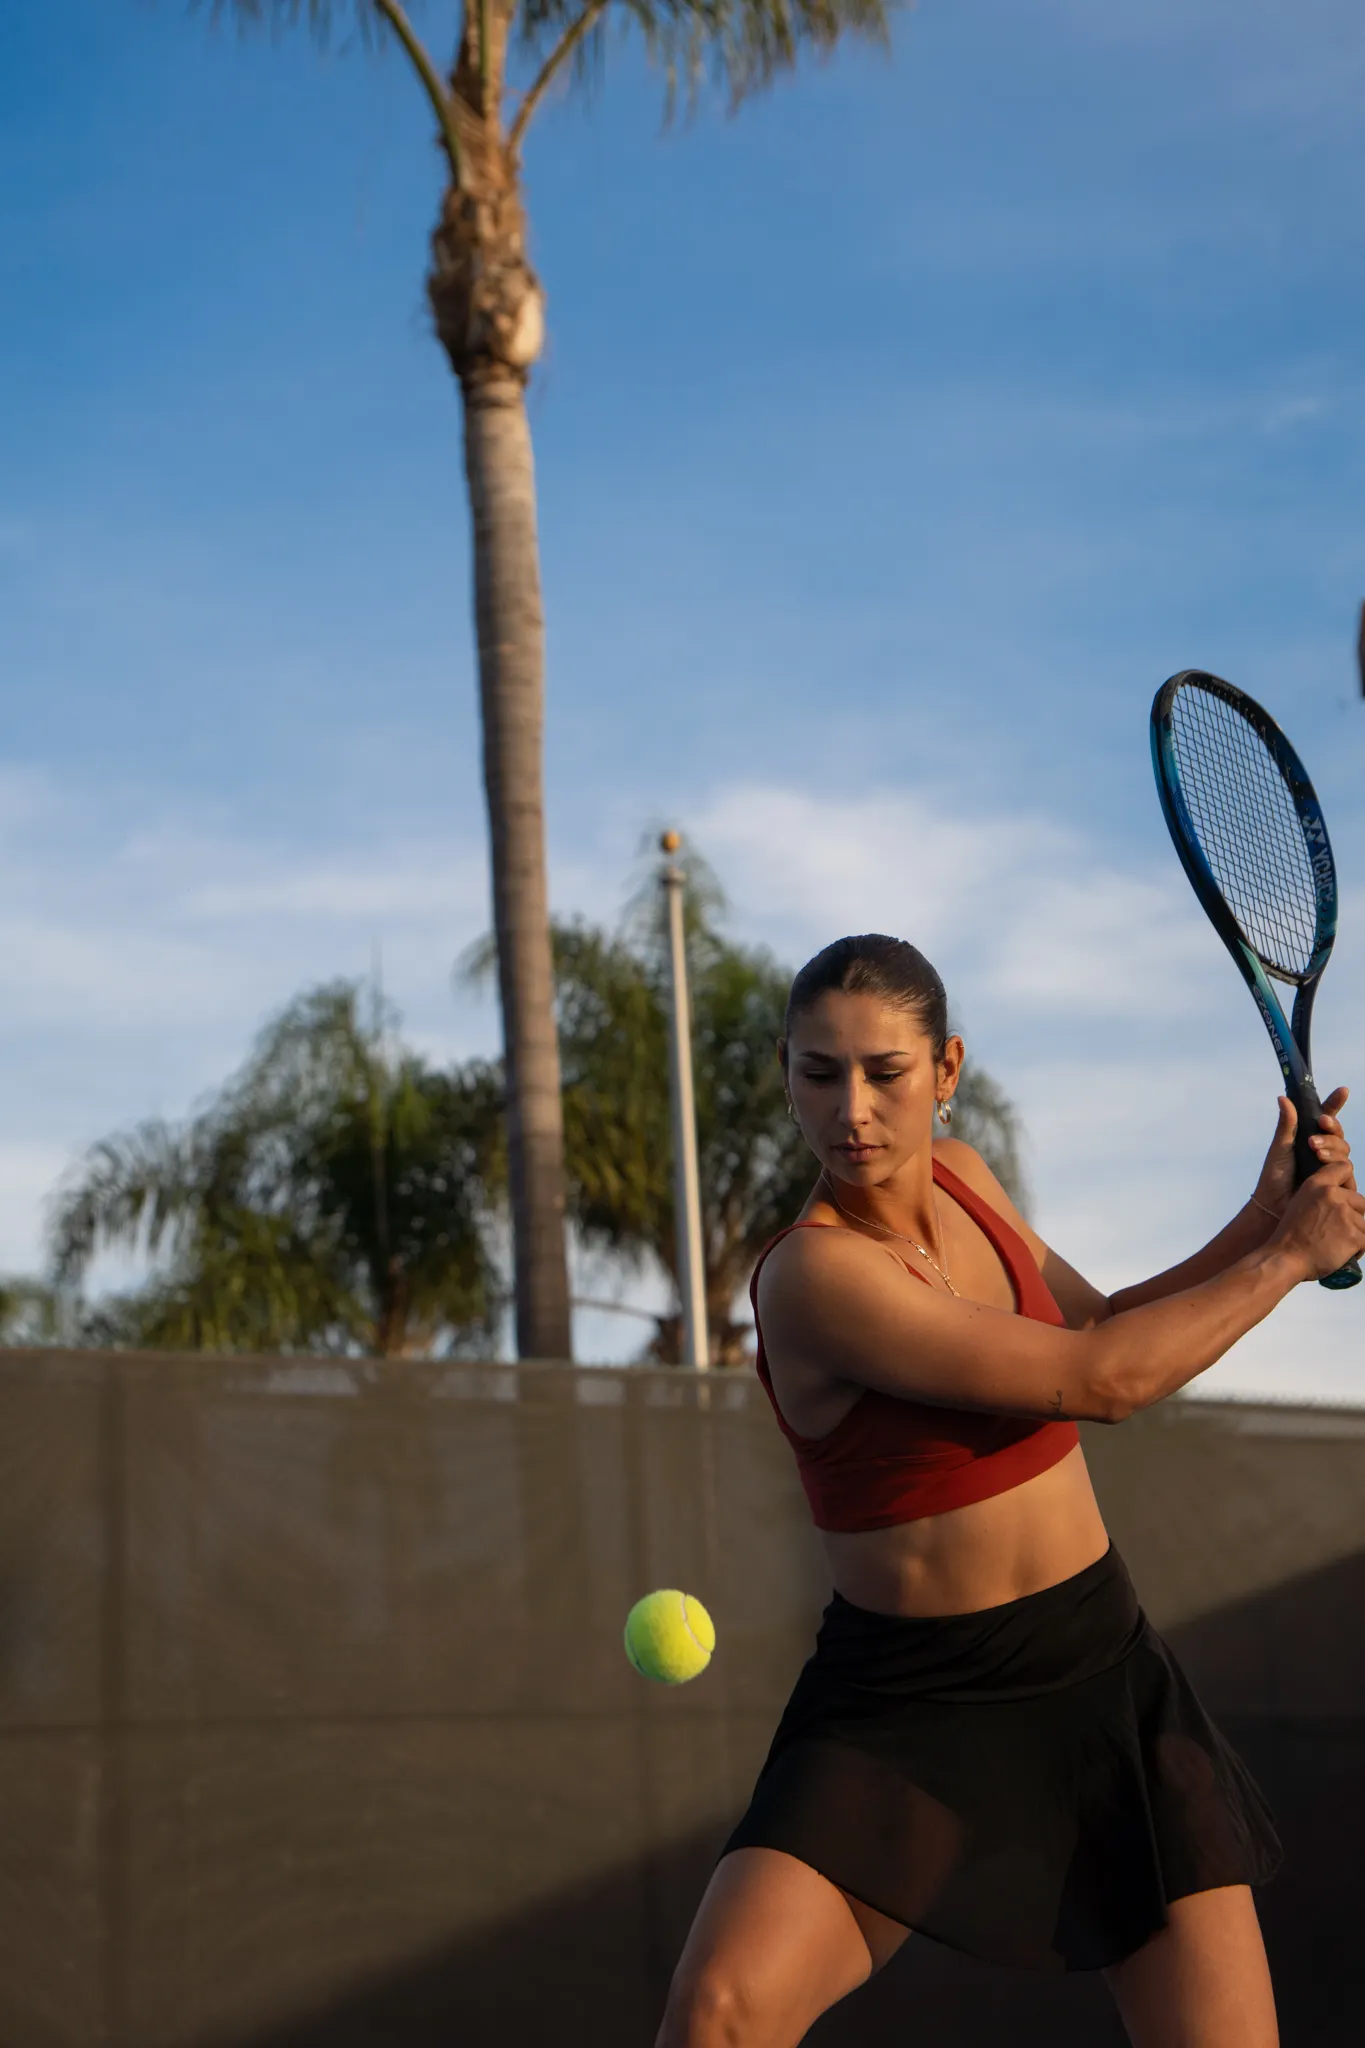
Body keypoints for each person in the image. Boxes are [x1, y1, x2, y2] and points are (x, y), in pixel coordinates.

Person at [656, 934, 1365, 2048]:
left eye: (887, 1071)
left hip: (1095, 1665)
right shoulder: (814, 1275)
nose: (852, 1106)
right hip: (908, 1703)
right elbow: (1105, 1383)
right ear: (785, 1070)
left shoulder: (967, 1175)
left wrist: (1267, 1215)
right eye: (818, 1069)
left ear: (946, 1070)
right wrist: (1285, 1262)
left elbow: (1092, 1325)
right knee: (721, 2015)